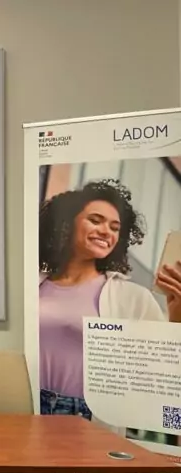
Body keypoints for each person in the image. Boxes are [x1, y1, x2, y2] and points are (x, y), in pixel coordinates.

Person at [38, 178, 181, 421]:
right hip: (25, 406)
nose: (106, 232)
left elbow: (166, 369)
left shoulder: (132, 298)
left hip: (84, 417)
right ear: (66, 224)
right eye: (95, 220)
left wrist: (177, 316)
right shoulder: (34, 285)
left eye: (115, 228)